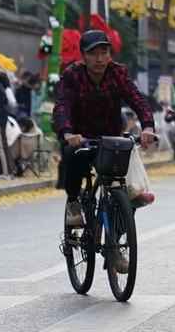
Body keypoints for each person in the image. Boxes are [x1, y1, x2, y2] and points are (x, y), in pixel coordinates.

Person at [53, 30, 156, 228]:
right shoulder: (71, 75)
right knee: (72, 157)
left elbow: (137, 99)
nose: (99, 59)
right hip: (80, 137)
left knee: (126, 194)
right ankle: (73, 201)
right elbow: (62, 106)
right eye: (92, 54)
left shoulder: (118, 72)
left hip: (111, 138)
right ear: (83, 57)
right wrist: (67, 133)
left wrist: (148, 126)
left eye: (104, 52)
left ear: (109, 54)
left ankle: (117, 237)